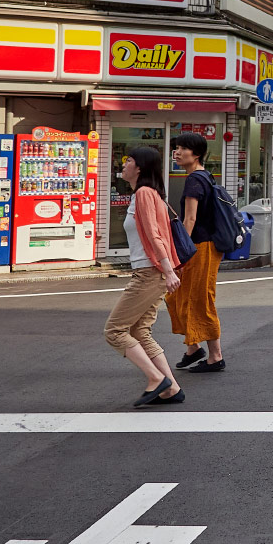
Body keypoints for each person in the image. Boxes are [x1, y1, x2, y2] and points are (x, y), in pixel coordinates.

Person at [104, 147, 185, 407]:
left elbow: (154, 234)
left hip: (150, 272)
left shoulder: (143, 194)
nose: (123, 164)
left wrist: (168, 270)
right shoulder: (151, 194)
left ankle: (156, 379)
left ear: (139, 168)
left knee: (114, 330)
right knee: (140, 330)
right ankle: (171, 388)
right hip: (155, 271)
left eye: (128, 160)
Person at [166, 132, 225, 374]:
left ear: (196, 154)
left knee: (200, 299)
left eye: (182, 148)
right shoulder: (204, 177)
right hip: (205, 246)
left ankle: (215, 356)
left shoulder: (194, 180)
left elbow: (189, 219)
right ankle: (193, 347)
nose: (177, 152)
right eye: (176, 148)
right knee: (179, 296)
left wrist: (180, 253)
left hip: (200, 247)